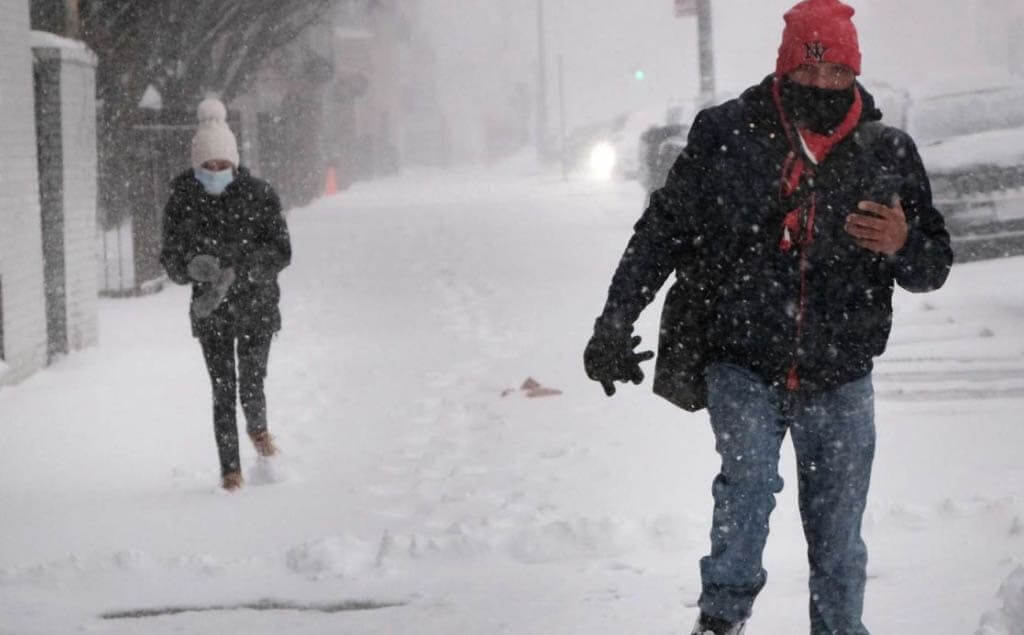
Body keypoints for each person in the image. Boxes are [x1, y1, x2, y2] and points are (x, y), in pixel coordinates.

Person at [583, 1, 953, 633]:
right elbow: (662, 232)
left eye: (835, 73)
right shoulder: (726, 134)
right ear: (784, 71)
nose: (820, 86)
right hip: (743, 361)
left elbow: (933, 265)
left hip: (840, 374)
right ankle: (721, 621)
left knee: (838, 536)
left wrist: (901, 242)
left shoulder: (885, 150)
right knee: (746, 494)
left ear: (853, 73)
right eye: (806, 74)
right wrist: (615, 322)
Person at [161, 98, 292, 492]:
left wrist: (247, 268)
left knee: (252, 382)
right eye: (207, 166)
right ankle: (230, 470)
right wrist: (190, 266)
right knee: (222, 390)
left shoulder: (259, 195)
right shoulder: (182, 200)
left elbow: (282, 250)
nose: (215, 172)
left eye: (222, 166)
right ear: (196, 166)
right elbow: (169, 258)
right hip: (211, 310)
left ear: (234, 163)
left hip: (256, 305)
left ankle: (259, 430)